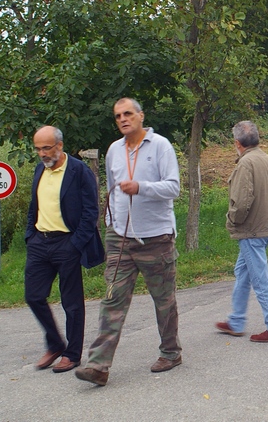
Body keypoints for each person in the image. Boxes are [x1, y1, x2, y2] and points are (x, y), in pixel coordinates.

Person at [76, 98, 181, 387]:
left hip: (156, 238)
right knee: (112, 300)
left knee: (164, 301)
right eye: (118, 115)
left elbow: (174, 187)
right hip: (120, 238)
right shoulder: (113, 150)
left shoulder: (160, 146)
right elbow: (112, 187)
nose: (123, 119)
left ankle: (170, 352)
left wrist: (141, 188)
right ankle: (98, 365)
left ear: (140, 116)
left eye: (128, 114)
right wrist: (111, 225)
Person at [25, 126, 104, 373]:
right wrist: (31, 235)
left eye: (46, 148)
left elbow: (91, 211)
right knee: (33, 296)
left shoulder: (78, 171)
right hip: (40, 242)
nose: (41, 154)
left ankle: (72, 353)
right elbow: (34, 206)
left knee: (71, 302)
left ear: (59, 146)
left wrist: (75, 244)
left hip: (66, 243)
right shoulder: (40, 169)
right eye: (37, 149)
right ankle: (55, 344)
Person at [216, 121, 268, 342]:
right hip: (265, 226)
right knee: (243, 273)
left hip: (251, 231)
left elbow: (241, 202)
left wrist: (232, 221)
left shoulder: (245, 164)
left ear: (237, 143)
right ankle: (236, 321)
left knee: (260, 280)